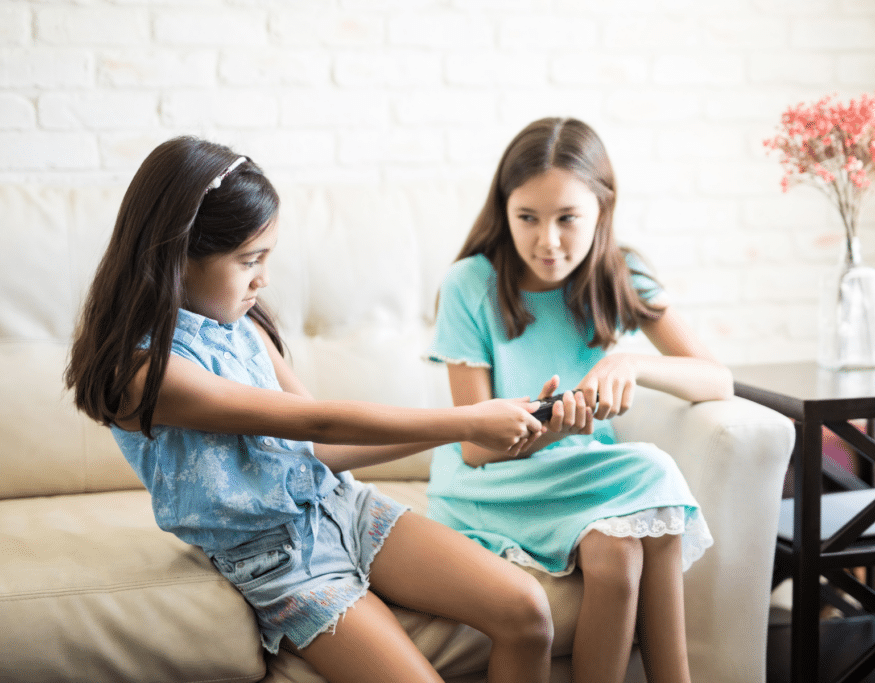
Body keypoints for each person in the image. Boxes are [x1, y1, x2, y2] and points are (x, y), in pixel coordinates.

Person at [64, 136, 555, 683]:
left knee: (527, 611)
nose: (263, 278)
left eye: (268, 256)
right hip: (280, 561)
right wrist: (466, 419)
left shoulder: (242, 325)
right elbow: (314, 420)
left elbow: (322, 449)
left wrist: (471, 434)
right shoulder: (145, 375)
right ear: (177, 257)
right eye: (249, 259)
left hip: (343, 506)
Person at [426, 117, 734, 683]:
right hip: (492, 480)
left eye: (568, 218)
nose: (548, 240)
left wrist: (631, 362)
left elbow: (718, 381)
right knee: (654, 469)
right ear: (504, 210)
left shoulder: (622, 273)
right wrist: (555, 430)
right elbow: (473, 447)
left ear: (602, 210)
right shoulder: (470, 284)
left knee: (618, 558)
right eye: (528, 218)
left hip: (580, 473)